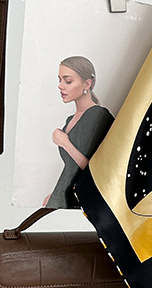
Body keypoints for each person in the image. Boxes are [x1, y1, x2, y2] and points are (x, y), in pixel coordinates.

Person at [44, 56, 114, 209]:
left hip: (80, 202)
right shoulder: (70, 120)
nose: (60, 86)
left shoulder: (99, 116)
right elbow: (70, 169)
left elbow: (95, 172)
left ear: (87, 84)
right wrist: (55, 193)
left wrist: (65, 143)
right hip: (62, 198)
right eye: (60, 80)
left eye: (68, 81)